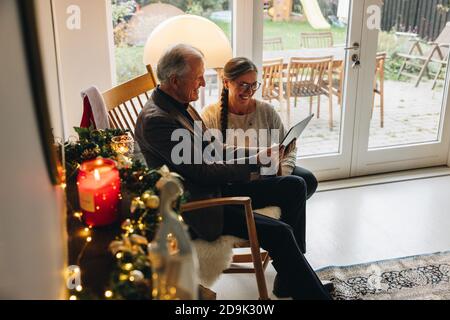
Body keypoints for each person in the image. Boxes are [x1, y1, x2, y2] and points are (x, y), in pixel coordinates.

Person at [135, 43, 331, 300]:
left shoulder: (181, 104)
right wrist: (253, 165)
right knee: (280, 233)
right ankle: (311, 292)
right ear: (174, 80)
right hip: (200, 206)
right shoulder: (158, 121)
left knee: (295, 185)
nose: (204, 83)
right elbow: (204, 172)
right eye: (198, 77)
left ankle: (289, 279)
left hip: (214, 188)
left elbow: (215, 148)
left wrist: (257, 156)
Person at [202, 57, 317, 256]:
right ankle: (289, 251)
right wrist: (256, 165)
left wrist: (281, 171)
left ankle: (289, 247)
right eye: (243, 85)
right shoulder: (210, 115)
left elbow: (288, 149)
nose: (249, 91)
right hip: (237, 182)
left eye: (253, 85)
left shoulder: (266, 111)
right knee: (294, 188)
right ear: (226, 82)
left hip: (270, 174)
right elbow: (213, 162)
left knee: (307, 180)